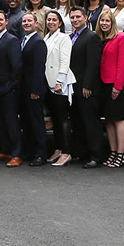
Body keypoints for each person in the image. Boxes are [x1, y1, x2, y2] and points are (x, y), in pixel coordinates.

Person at [66, 7, 102, 168]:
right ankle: (81, 153)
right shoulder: (70, 37)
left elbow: (93, 64)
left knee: (90, 123)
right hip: (73, 87)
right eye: (72, 17)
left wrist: (87, 85)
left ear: (85, 18)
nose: (75, 20)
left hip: (87, 88)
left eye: (78, 17)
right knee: (77, 122)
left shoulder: (92, 37)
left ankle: (96, 156)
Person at [96, 9, 124, 168]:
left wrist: (118, 86)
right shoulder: (101, 39)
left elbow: (122, 64)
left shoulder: (120, 38)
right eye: (102, 21)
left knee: (118, 119)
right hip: (103, 83)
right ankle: (113, 151)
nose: (104, 23)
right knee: (108, 120)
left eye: (107, 21)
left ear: (113, 23)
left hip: (116, 84)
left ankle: (121, 154)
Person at [41, 10, 73, 166]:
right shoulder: (46, 37)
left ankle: (66, 152)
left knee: (62, 119)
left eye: (54, 20)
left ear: (60, 23)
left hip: (59, 83)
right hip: (48, 82)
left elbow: (64, 61)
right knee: (54, 118)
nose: (51, 22)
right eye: (49, 19)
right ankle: (59, 149)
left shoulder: (64, 38)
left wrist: (60, 81)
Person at [18, 12, 48, 166]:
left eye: (29, 21)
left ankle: (40, 154)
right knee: (26, 122)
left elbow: (38, 68)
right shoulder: (23, 40)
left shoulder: (38, 42)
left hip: (34, 90)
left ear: (36, 24)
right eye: (24, 21)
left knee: (36, 123)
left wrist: (36, 90)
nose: (26, 23)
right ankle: (29, 151)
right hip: (23, 89)